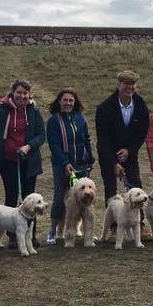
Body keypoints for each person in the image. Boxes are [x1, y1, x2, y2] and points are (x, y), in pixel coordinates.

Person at [0, 79, 45, 245]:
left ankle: (30, 235)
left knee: (30, 197)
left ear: (29, 95)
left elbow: (41, 134)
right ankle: (13, 236)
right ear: (13, 92)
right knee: (11, 196)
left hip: (29, 159)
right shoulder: (2, 109)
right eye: (19, 92)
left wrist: (28, 146)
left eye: (25, 93)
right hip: (8, 160)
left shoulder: (33, 110)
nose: (22, 96)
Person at [45, 88, 94, 245]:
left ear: (75, 102)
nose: (68, 103)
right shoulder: (53, 121)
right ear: (59, 102)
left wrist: (90, 157)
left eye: (71, 100)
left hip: (81, 165)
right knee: (60, 198)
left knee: (85, 199)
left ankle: (82, 230)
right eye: (65, 100)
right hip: (61, 166)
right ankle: (53, 231)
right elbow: (54, 145)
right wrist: (65, 162)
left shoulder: (80, 118)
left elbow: (86, 139)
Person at [95, 70, 150, 202]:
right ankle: (112, 223)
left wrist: (129, 150)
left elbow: (141, 133)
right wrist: (114, 162)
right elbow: (103, 139)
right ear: (118, 85)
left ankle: (138, 221)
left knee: (136, 187)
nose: (129, 87)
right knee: (111, 191)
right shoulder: (104, 107)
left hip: (129, 154)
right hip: (108, 154)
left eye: (133, 84)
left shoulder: (141, 105)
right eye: (126, 83)